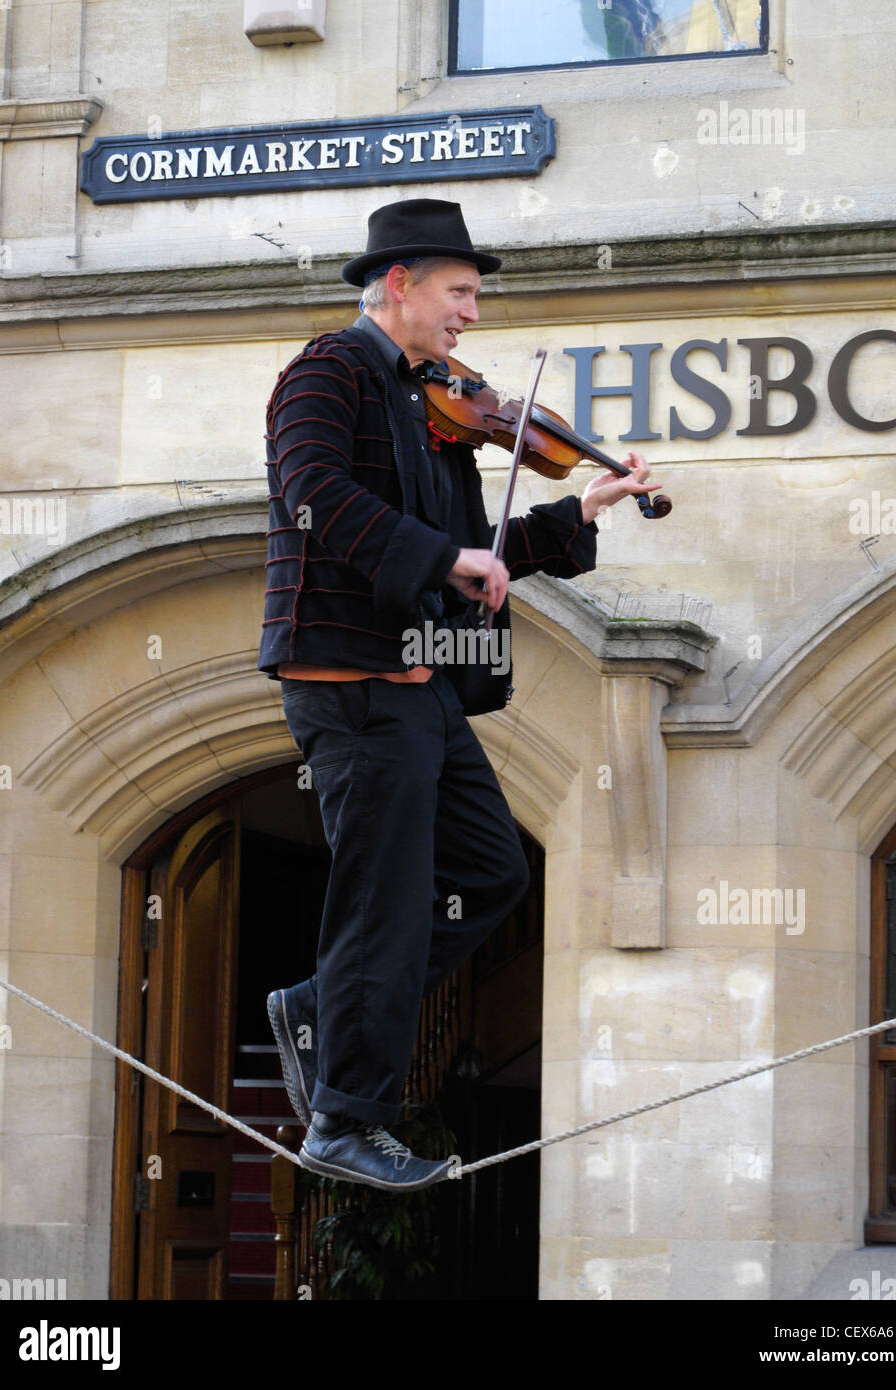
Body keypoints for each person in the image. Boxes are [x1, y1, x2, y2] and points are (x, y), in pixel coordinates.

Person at [259, 198, 658, 1191]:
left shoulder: (436, 410)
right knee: (385, 903)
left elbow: (474, 561)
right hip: (352, 687)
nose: (473, 315)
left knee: (491, 870)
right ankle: (345, 1121)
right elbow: (310, 496)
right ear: (400, 285)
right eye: (461, 292)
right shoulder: (326, 373)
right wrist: (443, 556)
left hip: (426, 686)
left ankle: (323, 1005)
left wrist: (580, 507)